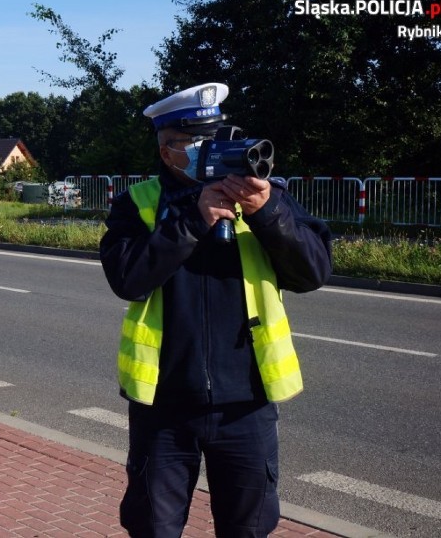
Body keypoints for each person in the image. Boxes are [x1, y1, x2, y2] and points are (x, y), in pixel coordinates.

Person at [100, 82, 332, 537]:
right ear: (168, 152)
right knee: (154, 528)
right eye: (198, 142)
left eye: (218, 135)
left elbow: (313, 273)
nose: (215, 150)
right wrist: (191, 220)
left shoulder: (267, 198)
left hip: (246, 405)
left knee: (247, 530)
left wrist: (267, 213)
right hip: (164, 406)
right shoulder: (139, 204)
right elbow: (127, 279)